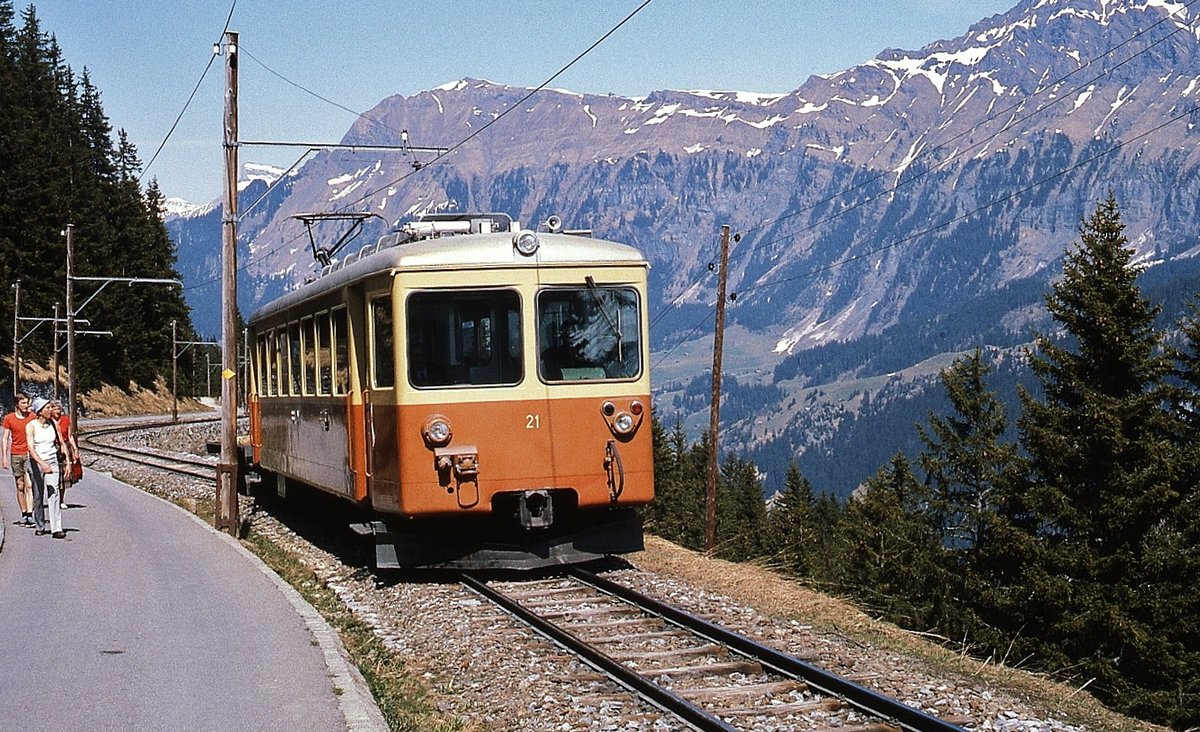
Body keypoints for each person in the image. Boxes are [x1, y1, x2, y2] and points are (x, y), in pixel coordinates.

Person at [26, 397, 65, 538]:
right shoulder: (31, 426)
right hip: (37, 463)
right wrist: (42, 464)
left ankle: (56, 528)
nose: (50, 410)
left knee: (54, 493)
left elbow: (61, 441)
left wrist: (68, 463)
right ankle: (40, 525)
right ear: (40, 411)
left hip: (52, 461)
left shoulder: (53, 423)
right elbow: (30, 448)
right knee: (38, 495)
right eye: (47, 408)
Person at [1, 392, 36, 526]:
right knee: (20, 485)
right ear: (17, 404)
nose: (26, 405)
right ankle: (23, 513)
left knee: (29, 485)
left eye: (27, 402)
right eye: (23, 403)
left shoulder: (32, 417)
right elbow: (5, 438)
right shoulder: (9, 418)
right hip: (16, 454)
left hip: (29, 454)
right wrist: (4, 457)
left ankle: (30, 513)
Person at [50, 400, 78, 508]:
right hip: (53, 446)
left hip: (65, 446)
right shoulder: (49, 421)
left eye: (59, 408)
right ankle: (53, 497)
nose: (58, 411)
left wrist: (75, 449)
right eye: (55, 408)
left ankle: (61, 500)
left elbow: (70, 436)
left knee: (64, 475)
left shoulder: (66, 420)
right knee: (54, 474)